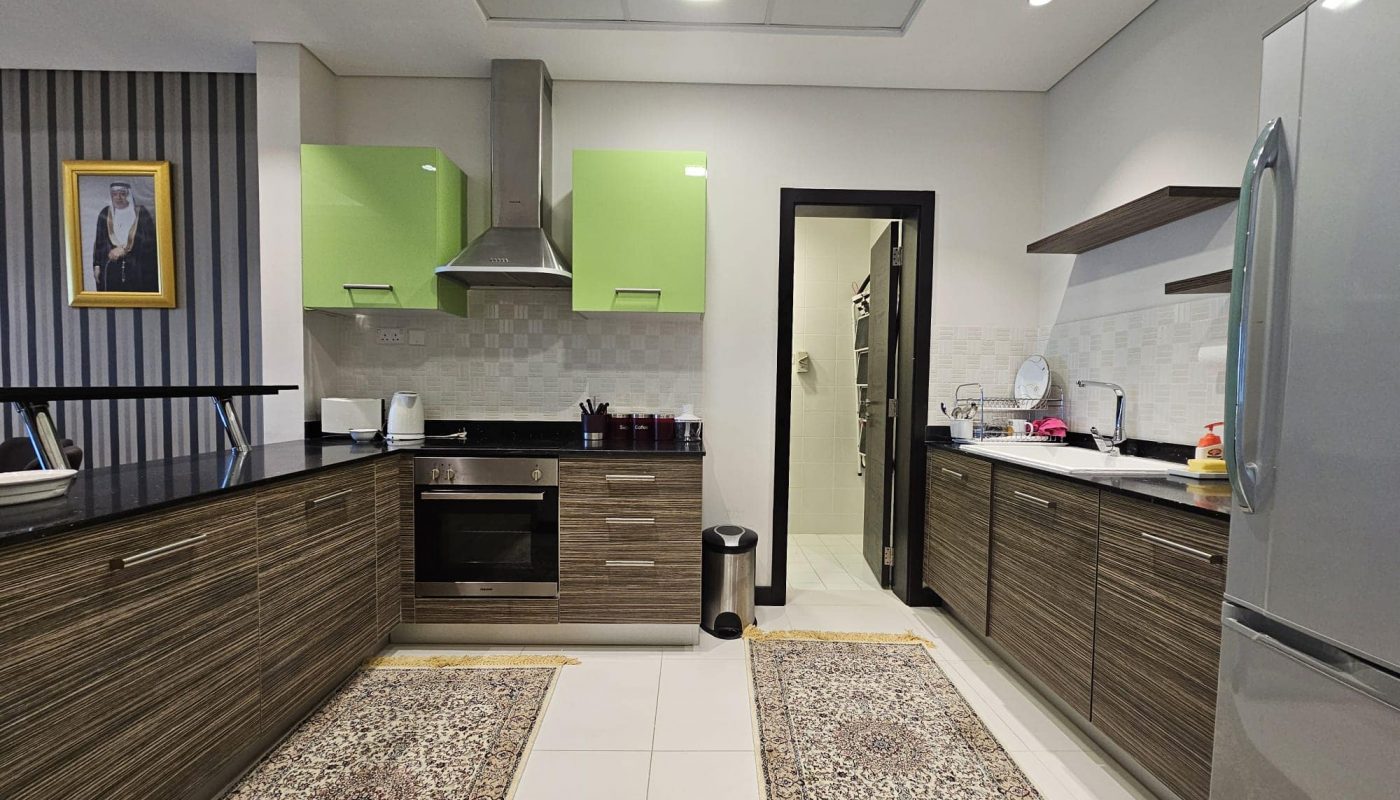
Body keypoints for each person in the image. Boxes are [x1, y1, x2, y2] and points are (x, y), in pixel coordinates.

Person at [91, 181, 158, 292]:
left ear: (128, 194)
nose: (118, 197)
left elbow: (150, 243)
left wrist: (125, 250)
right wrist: (97, 266)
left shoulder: (141, 213)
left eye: (122, 193)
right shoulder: (105, 213)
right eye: (115, 194)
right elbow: (99, 242)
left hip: (136, 268)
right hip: (111, 267)